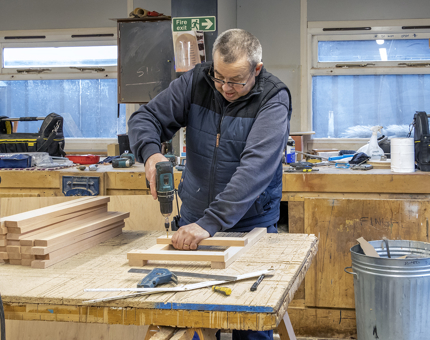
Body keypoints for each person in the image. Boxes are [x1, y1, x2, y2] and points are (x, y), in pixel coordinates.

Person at [128, 28, 291, 340]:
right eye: (219, 77)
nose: (225, 88)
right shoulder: (196, 81)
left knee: (251, 320)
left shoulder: (273, 98)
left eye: (236, 80)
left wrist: (212, 222)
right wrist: (150, 154)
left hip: (250, 224)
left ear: (256, 70)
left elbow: (255, 169)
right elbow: (144, 118)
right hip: (194, 219)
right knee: (194, 312)